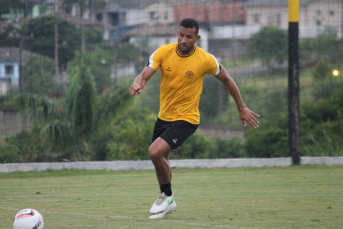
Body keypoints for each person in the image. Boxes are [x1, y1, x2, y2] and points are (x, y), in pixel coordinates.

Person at [129, 18, 260, 219]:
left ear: (197, 38)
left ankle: (167, 196)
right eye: (181, 35)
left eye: (189, 37)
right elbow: (144, 74)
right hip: (164, 117)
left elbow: (227, 80)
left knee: (154, 153)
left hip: (187, 119)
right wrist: (138, 84)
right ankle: (167, 202)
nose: (184, 40)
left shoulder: (205, 59)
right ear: (177, 33)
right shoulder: (163, 52)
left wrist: (241, 107)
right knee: (161, 160)